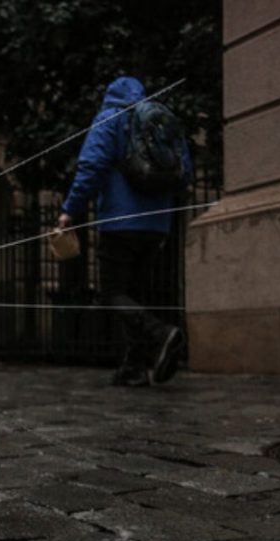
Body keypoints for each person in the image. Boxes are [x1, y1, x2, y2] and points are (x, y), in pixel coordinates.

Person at [58, 76, 190, 387]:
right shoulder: (161, 119)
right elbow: (185, 173)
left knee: (112, 293)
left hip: (120, 222)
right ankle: (135, 366)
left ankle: (162, 334)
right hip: (157, 225)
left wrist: (70, 209)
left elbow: (91, 166)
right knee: (134, 294)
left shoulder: (110, 119)